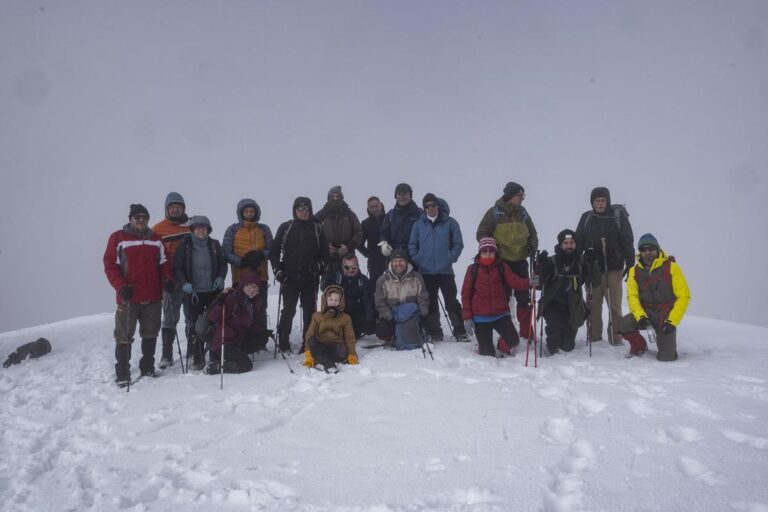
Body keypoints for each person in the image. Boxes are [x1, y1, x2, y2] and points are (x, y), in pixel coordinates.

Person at [104, 204, 174, 385]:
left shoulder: (156, 240)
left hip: (152, 296)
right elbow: (110, 265)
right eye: (137, 217)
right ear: (130, 219)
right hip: (128, 296)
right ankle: (122, 372)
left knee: (150, 333)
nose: (141, 219)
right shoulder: (118, 238)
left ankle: (148, 367)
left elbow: (165, 264)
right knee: (124, 335)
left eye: (144, 217)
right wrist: (120, 286)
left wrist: (167, 279)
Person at [476, 182, 538, 338]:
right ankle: (507, 332)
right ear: (511, 196)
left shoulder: (522, 213)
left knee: (524, 297)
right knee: (502, 297)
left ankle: (525, 329)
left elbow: (533, 232)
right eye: (520, 195)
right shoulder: (494, 213)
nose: (522, 198)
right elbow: (481, 233)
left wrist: (532, 246)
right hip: (501, 262)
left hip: (521, 261)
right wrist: (491, 249)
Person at [575, 186, 634, 345]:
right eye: (596, 201)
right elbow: (578, 240)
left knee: (614, 304)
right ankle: (594, 337)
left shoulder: (617, 216)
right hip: (592, 268)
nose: (600, 204)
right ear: (592, 203)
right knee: (594, 303)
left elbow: (627, 238)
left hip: (614, 268)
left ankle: (616, 337)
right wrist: (579, 257)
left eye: (602, 200)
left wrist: (630, 261)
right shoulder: (587, 218)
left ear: (607, 201)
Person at [619, 234, 690, 361]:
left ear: (657, 249)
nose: (648, 253)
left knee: (667, 357)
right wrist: (641, 317)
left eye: (651, 249)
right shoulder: (633, 271)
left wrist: (672, 322)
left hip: (665, 316)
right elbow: (632, 297)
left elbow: (684, 296)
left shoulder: (672, 268)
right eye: (643, 250)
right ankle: (639, 345)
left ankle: (666, 343)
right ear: (640, 252)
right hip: (645, 313)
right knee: (623, 324)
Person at [408, 193, 468, 341]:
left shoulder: (450, 223)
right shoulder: (418, 224)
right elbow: (412, 245)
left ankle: (460, 331)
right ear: (424, 208)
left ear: (438, 206)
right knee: (431, 302)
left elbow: (458, 243)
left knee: (451, 301)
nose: (430, 208)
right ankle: (435, 332)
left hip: (445, 270)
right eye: (426, 206)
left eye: (432, 205)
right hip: (426, 271)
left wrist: (450, 257)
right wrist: (418, 259)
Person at [461, 238, 535, 357]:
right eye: (485, 251)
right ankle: (483, 345)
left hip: (500, 314)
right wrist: (467, 318)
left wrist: (529, 283)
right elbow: (466, 294)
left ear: (495, 252)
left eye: (491, 251)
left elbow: (514, 281)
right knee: (487, 354)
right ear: (480, 252)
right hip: (480, 318)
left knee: (514, 341)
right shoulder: (472, 269)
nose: (488, 253)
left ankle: (501, 345)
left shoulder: (502, 267)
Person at [270, 197, 326, 352]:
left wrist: (318, 266)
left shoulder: (317, 229)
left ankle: (307, 342)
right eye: (300, 209)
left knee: (310, 311)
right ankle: (283, 341)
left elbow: (325, 255)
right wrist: (278, 271)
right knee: (288, 310)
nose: (304, 212)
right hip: (289, 277)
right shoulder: (286, 227)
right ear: (294, 210)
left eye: (307, 209)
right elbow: (274, 253)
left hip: (310, 278)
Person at [173, 216, 228, 370]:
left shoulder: (214, 244)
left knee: (214, 323)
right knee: (194, 326)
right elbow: (177, 267)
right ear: (192, 229)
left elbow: (223, 264)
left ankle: (214, 356)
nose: (201, 230)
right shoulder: (185, 245)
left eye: (204, 227)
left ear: (208, 229)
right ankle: (198, 358)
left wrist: (220, 277)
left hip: (212, 291)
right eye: (197, 227)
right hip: (194, 293)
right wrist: (184, 283)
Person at [152, 192, 191, 369]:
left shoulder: (191, 226)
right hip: (171, 281)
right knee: (170, 318)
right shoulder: (158, 229)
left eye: (178, 206)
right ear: (167, 209)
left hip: (191, 279)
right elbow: (153, 256)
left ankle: (193, 349)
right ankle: (167, 354)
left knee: (192, 315)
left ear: (184, 208)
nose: (175, 209)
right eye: (172, 206)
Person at [535, 229, 587, 355]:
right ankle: (552, 346)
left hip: (572, 305)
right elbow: (537, 284)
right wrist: (539, 267)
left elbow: (592, 281)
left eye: (571, 242)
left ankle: (565, 333)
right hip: (553, 303)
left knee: (567, 347)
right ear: (560, 245)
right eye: (566, 243)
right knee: (555, 331)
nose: (569, 246)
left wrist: (591, 263)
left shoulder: (581, 262)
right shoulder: (551, 262)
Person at [205, 271, 266, 374]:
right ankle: (215, 366)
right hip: (224, 341)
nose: (252, 290)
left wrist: (262, 331)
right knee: (245, 365)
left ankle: (224, 356)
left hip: (237, 339)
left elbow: (248, 323)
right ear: (243, 285)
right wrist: (220, 304)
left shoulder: (252, 302)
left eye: (255, 287)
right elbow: (213, 317)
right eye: (249, 286)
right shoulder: (233, 298)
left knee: (260, 340)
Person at [374, 249, 430, 349]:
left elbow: (423, 299)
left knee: (425, 326)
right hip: (393, 316)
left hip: (412, 315)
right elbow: (379, 302)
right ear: (391, 263)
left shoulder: (417, 277)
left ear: (406, 262)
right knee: (382, 331)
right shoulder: (383, 280)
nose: (398, 264)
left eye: (401, 261)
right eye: (395, 261)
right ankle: (393, 337)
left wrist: (422, 316)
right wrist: (390, 318)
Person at [315, 186, 363, 289]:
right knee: (328, 287)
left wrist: (348, 247)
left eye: (338, 196)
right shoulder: (321, 215)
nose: (335, 198)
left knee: (350, 286)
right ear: (329, 197)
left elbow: (358, 232)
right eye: (333, 196)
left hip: (347, 257)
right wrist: (325, 247)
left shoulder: (349, 214)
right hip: (327, 258)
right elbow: (312, 232)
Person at [302, 285, 358, 371]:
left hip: (336, 347)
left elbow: (349, 337)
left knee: (342, 352)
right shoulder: (316, 316)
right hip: (321, 346)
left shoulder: (346, 318)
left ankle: (322, 360)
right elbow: (309, 334)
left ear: (340, 301)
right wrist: (308, 353)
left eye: (336, 300)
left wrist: (352, 353)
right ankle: (328, 364)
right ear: (325, 299)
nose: (333, 302)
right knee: (312, 340)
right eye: (330, 299)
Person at [222, 198, 273, 289]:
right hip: (240, 278)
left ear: (256, 212)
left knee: (260, 303)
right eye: (246, 211)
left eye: (251, 211)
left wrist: (260, 255)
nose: (249, 213)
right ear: (241, 213)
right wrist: (241, 261)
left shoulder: (264, 229)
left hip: (260, 277)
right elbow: (226, 253)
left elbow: (271, 249)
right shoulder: (232, 229)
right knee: (239, 303)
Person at [324, 254, 376, 338]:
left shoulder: (364, 281)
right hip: (340, 314)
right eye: (347, 267)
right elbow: (326, 300)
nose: (351, 270)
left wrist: (370, 320)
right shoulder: (335, 279)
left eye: (354, 267)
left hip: (357, 316)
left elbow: (368, 302)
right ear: (342, 267)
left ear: (358, 267)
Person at [379, 183, 422, 256]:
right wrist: (384, 243)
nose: (402, 197)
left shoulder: (420, 214)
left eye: (405, 194)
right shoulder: (390, 215)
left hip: (414, 255)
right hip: (395, 255)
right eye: (399, 194)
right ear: (396, 196)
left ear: (410, 195)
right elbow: (384, 233)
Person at [359, 196, 387, 286]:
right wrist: (368, 254)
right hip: (374, 262)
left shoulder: (389, 219)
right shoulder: (365, 224)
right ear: (368, 209)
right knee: (375, 287)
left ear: (381, 205)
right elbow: (359, 243)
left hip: (390, 259)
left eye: (376, 206)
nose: (375, 209)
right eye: (372, 207)